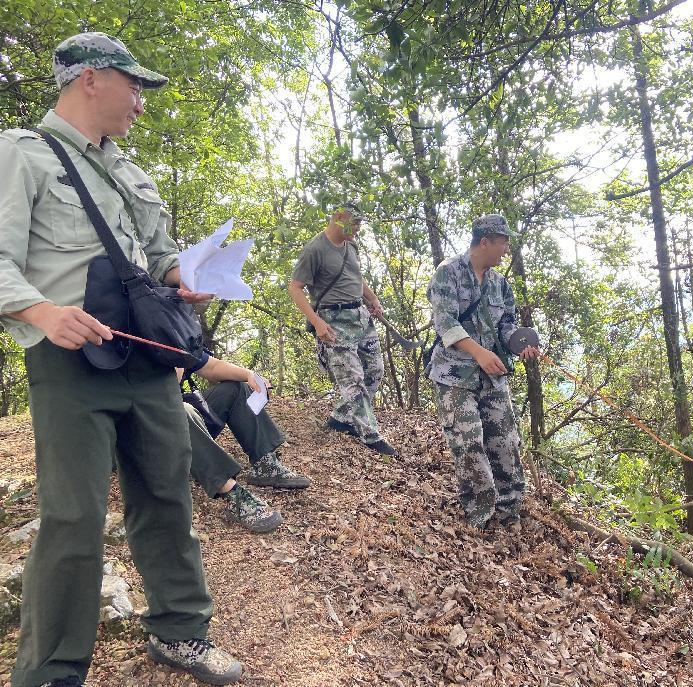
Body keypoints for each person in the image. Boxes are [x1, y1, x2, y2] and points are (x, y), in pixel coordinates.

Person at [0, 33, 242, 686]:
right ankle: (51, 668)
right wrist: (43, 312)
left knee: (167, 494)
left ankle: (181, 632)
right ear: (91, 80)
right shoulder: (20, 154)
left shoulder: (131, 171)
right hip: (70, 363)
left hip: (146, 355)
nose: (141, 101)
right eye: (133, 85)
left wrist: (182, 275)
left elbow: (157, 254)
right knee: (74, 514)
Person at [426, 213, 539, 530]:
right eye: (503, 243)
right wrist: (479, 352)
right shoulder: (448, 273)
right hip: (454, 376)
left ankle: (509, 508)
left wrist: (519, 345)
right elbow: (445, 322)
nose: (507, 250)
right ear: (485, 242)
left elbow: (507, 325)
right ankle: (481, 513)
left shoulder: (500, 284)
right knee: (468, 443)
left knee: (505, 441)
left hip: (493, 377)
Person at [287, 201, 397, 456]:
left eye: (359, 223)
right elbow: (295, 287)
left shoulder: (351, 246)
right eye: (354, 222)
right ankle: (370, 435)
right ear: (338, 217)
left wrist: (373, 299)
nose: (357, 228)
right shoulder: (315, 249)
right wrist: (317, 322)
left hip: (360, 317)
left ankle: (340, 416)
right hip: (333, 320)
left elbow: (356, 277)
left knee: (375, 370)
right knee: (352, 379)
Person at [181, 354, 311, 533]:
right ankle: (233, 495)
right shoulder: (136, 332)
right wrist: (174, 360)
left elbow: (210, 367)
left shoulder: (174, 332)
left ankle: (265, 465)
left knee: (237, 387)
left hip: (184, 423)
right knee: (181, 411)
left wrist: (249, 375)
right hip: (150, 432)